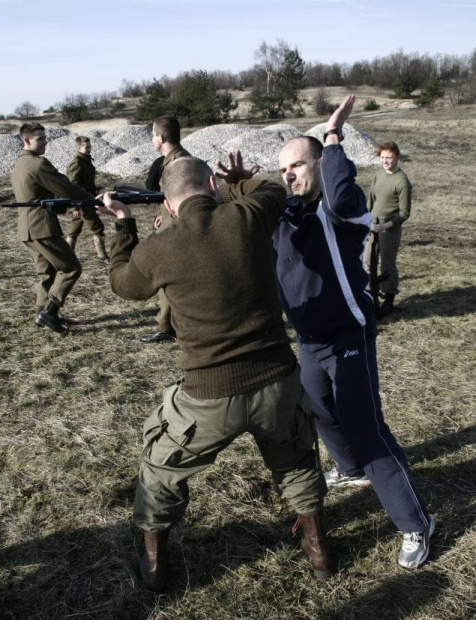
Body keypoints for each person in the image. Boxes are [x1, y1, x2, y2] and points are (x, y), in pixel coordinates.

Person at [99, 154, 328, 591]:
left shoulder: (156, 249)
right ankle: (318, 553)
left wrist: (124, 222)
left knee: (159, 472)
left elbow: (122, 284)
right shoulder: (246, 216)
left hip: (207, 397)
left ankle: (154, 568)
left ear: (166, 205)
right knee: (297, 460)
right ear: (211, 183)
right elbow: (274, 190)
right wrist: (239, 181)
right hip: (277, 380)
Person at [271, 96, 434, 570]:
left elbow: (340, 191)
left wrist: (334, 138)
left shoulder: (341, 209)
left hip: (348, 336)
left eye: (298, 164)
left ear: (319, 164)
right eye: (283, 169)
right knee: (319, 411)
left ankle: (416, 523)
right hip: (309, 340)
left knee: (367, 430)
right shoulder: (288, 214)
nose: (289, 174)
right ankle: (351, 470)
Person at [10, 123, 98, 334]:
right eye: (40, 139)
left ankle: (43, 316)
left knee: (47, 274)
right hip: (42, 228)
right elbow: (66, 187)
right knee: (71, 268)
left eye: (45, 138)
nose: (45, 142)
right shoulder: (38, 164)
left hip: (26, 229)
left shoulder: (19, 166)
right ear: (26, 141)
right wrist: (93, 200)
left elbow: (42, 195)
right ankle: (50, 311)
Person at [140, 116, 192, 344]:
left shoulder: (178, 163)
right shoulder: (169, 161)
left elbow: (187, 198)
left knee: (169, 276)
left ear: (161, 137)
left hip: (179, 230)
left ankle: (168, 326)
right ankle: (168, 324)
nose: (152, 138)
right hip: (171, 224)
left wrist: (171, 219)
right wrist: (162, 216)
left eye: (153, 134)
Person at [364, 142, 412, 316]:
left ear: (397, 157)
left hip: (389, 229)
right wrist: (366, 220)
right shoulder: (378, 175)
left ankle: (389, 298)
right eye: (383, 157)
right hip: (372, 227)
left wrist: (386, 225)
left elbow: (404, 213)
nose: (385, 161)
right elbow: (370, 201)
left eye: (389, 158)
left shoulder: (402, 182)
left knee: (387, 265)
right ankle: (370, 296)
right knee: (367, 262)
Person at [65, 136, 110, 265]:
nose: (89, 149)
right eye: (86, 147)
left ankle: (68, 259)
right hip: (82, 203)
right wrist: (75, 207)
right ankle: (102, 258)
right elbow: (72, 186)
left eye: (90, 146)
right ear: (79, 147)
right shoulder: (77, 163)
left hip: (88, 200)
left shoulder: (86, 161)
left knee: (73, 231)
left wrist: (96, 191)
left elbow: (87, 183)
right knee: (98, 228)